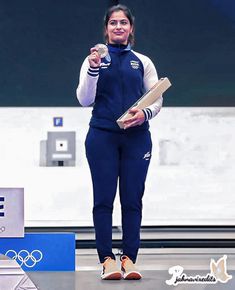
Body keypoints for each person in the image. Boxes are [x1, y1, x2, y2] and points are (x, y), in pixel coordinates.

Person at [76, 4, 163, 280]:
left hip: (137, 139)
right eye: (113, 23)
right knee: (103, 200)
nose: (118, 27)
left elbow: (156, 97)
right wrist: (93, 70)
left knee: (132, 200)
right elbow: (84, 99)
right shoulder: (94, 59)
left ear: (131, 28)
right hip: (102, 138)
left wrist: (145, 113)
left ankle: (129, 259)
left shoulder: (143, 61)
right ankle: (106, 260)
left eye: (123, 23)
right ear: (106, 28)